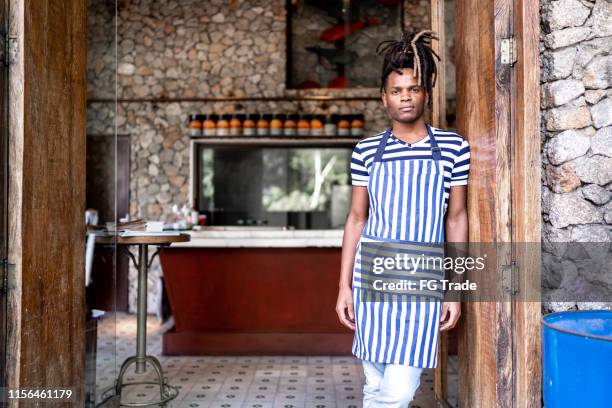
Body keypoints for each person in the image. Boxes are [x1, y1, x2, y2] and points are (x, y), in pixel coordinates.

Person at [335, 29, 470, 408]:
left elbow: (456, 219)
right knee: (375, 385)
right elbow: (356, 220)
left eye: (412, 88)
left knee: (397, 392)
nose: (405, 97)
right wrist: (344, 287)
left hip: (422, 282)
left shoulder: (453, 147)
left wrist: (454, 291)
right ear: (384, 98)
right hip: (371, 280)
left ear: (426, 92)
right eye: (396, 91)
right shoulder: (365, 151)